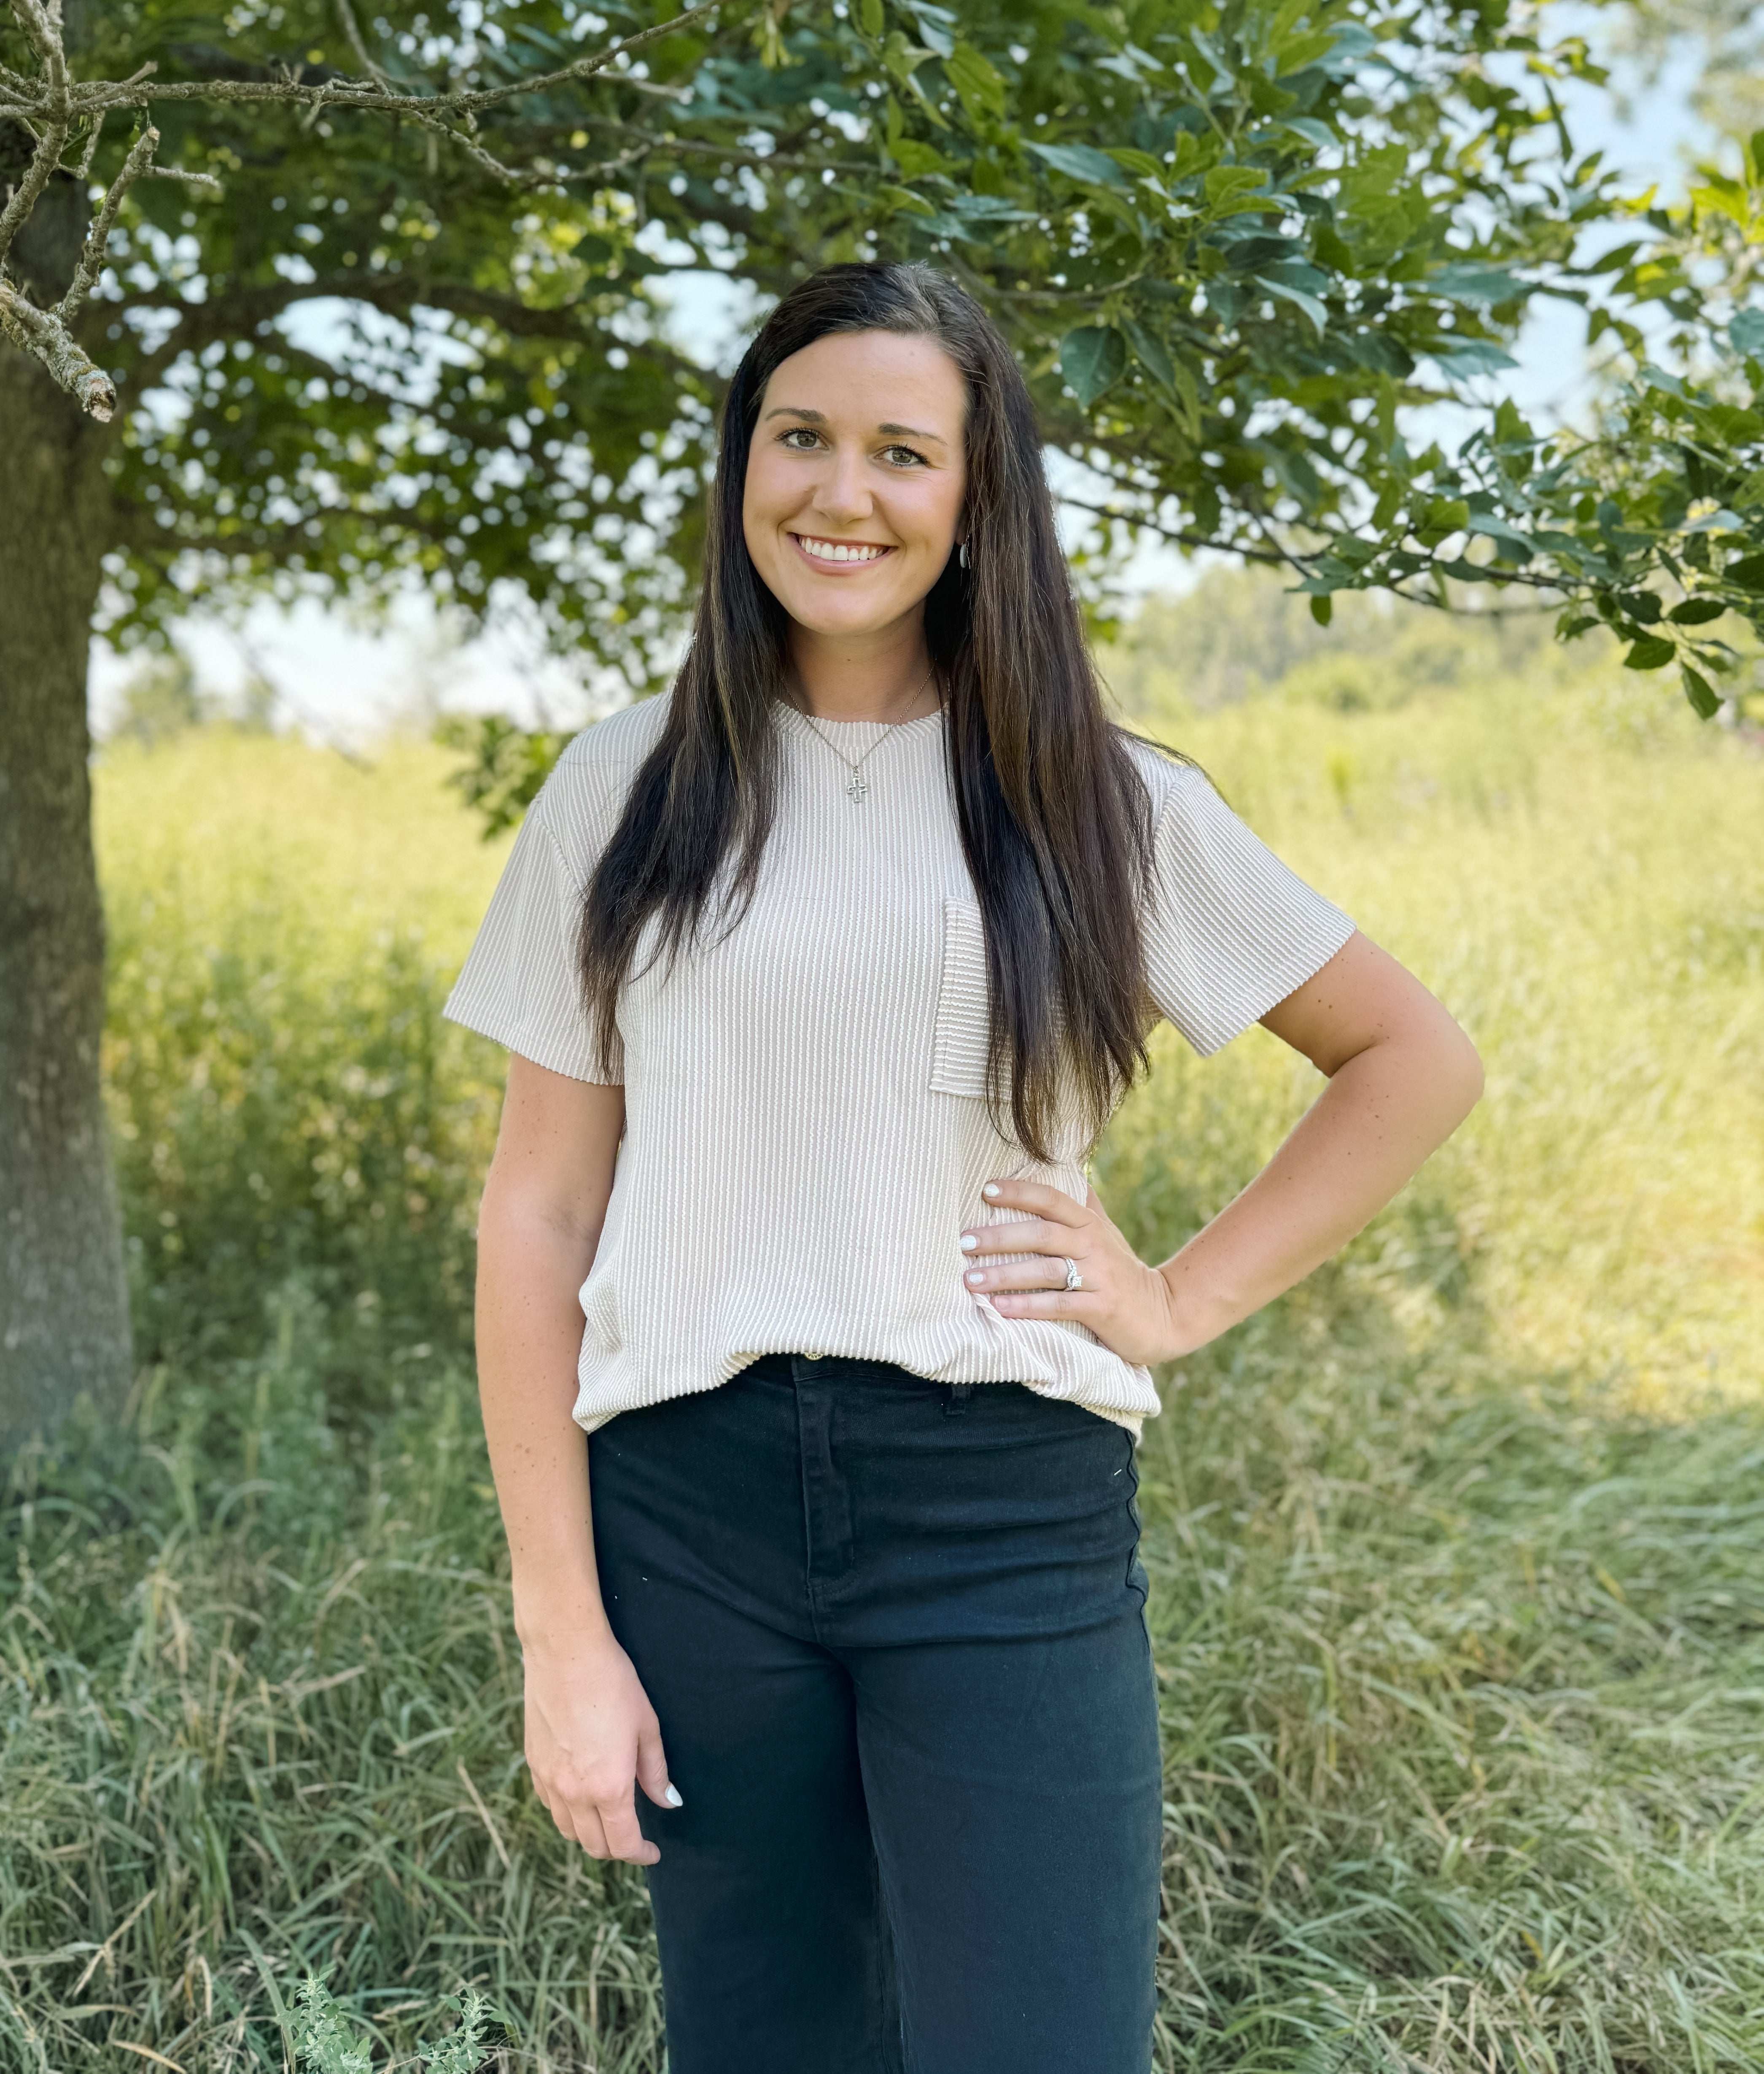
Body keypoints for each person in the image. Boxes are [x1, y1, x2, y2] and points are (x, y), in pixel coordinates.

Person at [445, 261, 1483, 2074]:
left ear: (973, 495)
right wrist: (561, 1637)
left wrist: (1175, 1298)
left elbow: (1408, 1058)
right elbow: (538, 1212)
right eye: (799, 438)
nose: (839, 494)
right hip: (689, 1520)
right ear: (740, 464)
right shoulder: (617, 792)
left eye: (899, 453)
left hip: (999, 1518)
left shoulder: (1096, 796)